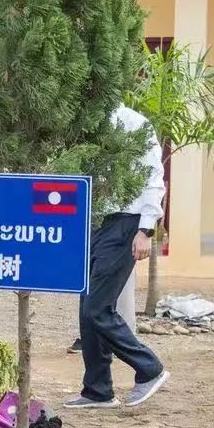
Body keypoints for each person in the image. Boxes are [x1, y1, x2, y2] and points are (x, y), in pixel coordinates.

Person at [64, 104, 169, 409]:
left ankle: (149, 368)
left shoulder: (134, 124)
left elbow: (153, 178)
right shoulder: (82, 122)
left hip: (126, 222)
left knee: (97, 309)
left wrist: (146, 229)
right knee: (87, 312)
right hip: (93, 222)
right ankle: (97, 390)